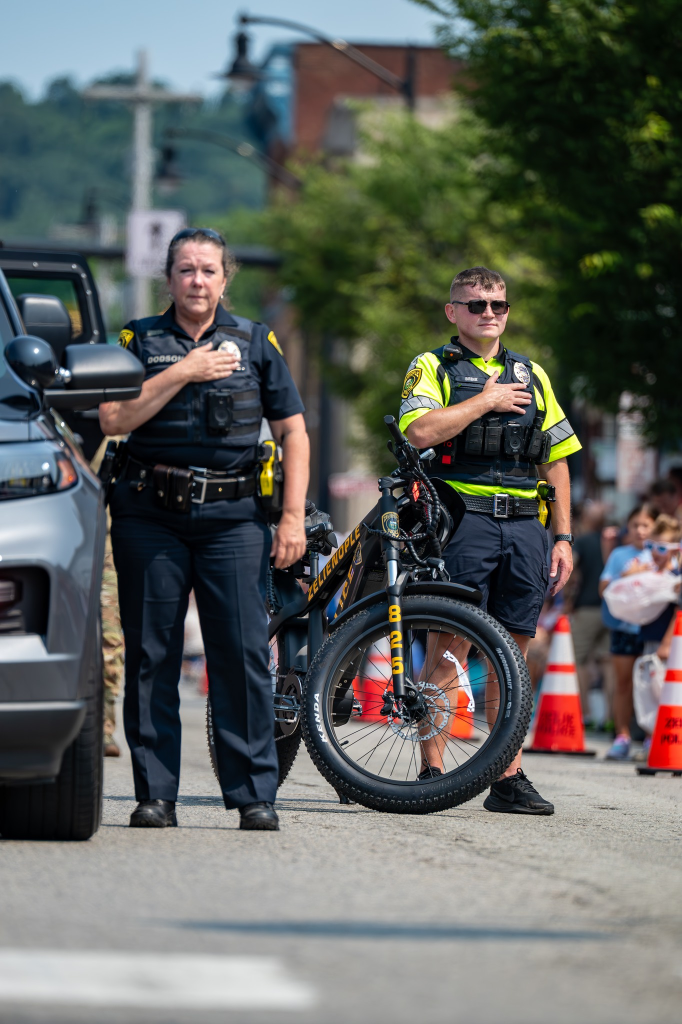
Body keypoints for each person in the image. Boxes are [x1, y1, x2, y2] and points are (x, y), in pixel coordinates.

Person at [99, 227, 309, 831]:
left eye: (208, 270)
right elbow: (114, 416)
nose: (197, 280)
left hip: (233, 520)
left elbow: (293, 432)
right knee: (151, 654)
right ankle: (155, 794)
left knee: (241, 654)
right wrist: (183, 371)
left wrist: (291, 516)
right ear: (169, 279)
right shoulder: (139, 339)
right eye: (186, 270)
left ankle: (252, 795)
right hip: (149, 515)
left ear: (225, 278)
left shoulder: (256, 341)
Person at [399, 265, 581, 815]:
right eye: (476, 304)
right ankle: (433, 769)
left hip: (526, 524)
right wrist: (486, 401)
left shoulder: (532, 372)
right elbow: (419, 431)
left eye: (498, 305)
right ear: (453, 311)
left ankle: (508, 776)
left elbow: (557, 458)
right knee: (447, 647)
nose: (489, 314)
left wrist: (564, 536)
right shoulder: (433, 365)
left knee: (513, 652)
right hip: (463, 520)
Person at [598, 503, 656, 760]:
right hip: (623, 627)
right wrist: (626, 575)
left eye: (646, 525)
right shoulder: (620, 554)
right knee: (623, 683)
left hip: (652, 629)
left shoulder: (663, 553)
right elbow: (603, 588)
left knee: (653, 685)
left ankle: (651, 738)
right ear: (627, 528)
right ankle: (622, 736)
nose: (640, 531)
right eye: (635, 525)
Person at [570, 502, 613, 723]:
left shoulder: (583, 541)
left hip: (586, 608)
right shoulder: (612, 543)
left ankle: (584, 714)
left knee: (578, 660)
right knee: (608, 662)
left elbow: (571, 571)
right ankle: (610, 718)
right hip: (611, 609)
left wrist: (567, 601)